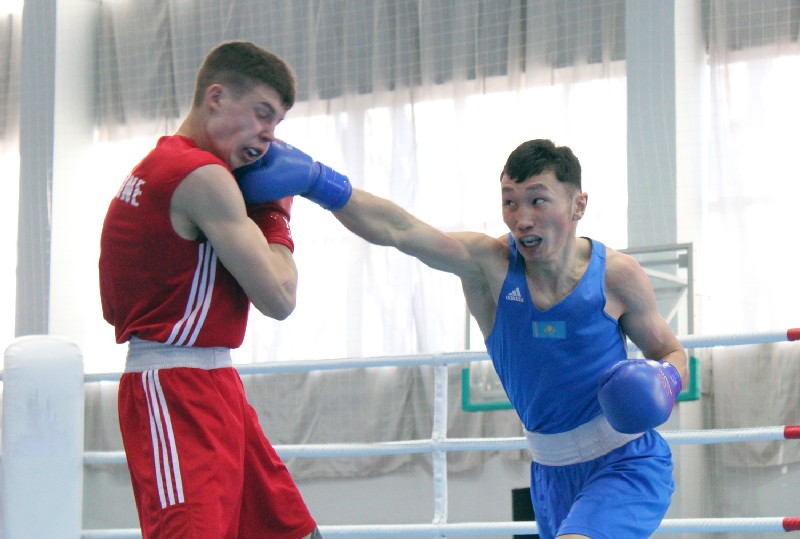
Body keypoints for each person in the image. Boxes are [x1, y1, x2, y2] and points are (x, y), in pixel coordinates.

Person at [233, 138, 688, 539]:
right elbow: (401, 231)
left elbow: (670, 351)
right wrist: (319, 182)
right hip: (552, 473)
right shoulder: (490, 267)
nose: (522, 219)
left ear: (578, 205)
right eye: (510, 202)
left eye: (538, 201)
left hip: (627, 461)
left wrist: (664, 379)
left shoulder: (616, 276)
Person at [98, 41, 323, 538]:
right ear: (216, 97)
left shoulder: (157, 166)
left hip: (214, 379)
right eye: (262, 113)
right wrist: (275, 214)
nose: (269, 136)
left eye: (277, 123)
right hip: (175, 388)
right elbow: (279, 298)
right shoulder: (202, 176)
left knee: (292, 532)